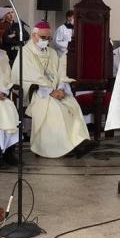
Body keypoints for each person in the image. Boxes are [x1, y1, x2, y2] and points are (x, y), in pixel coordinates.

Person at [14, 20, 94, 158]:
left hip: (56, 91)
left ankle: (79, 141)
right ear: (34, 36)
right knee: (56, 109)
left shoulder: (52, 53)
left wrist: (61, 88)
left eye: (49, 38)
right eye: (43, 38)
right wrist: (50, 92)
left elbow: (60, 73)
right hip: (38, 94)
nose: (47, 41)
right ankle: (63, 147)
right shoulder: (25, 53)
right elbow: (28, 78)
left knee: (72, 104)